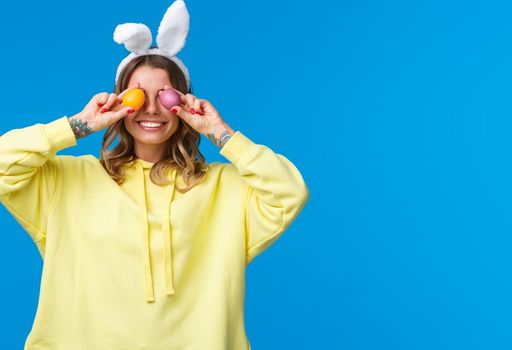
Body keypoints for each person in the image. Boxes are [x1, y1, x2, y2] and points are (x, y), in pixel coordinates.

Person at [0, 1, 309, 349]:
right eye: (137, 96)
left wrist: (220, 132)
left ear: (184, 104)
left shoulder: (224, 188)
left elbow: (288, 192)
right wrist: (77, 126)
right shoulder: (67, 182)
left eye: (163, 96)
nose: (149, 108)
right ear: (118, 103)